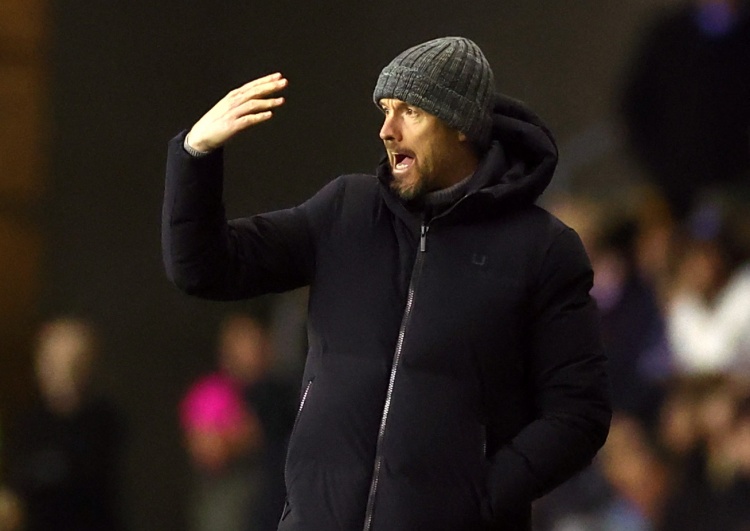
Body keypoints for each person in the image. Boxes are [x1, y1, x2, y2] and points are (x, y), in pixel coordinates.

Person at [162, 37, 611, 531]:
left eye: (410, 112)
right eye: (385, 110)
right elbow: (205, 268)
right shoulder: (345, 211)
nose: (387, 130)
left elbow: (578, 414)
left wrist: (477, 499)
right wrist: (196, 154)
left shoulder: (543, 249)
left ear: (461, 124)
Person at [4, 317, 125, 531]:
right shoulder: (28, 422)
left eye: (71, 361)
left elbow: (75, 477)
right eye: (51, 360)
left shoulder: (102, 419)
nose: (60, 370)